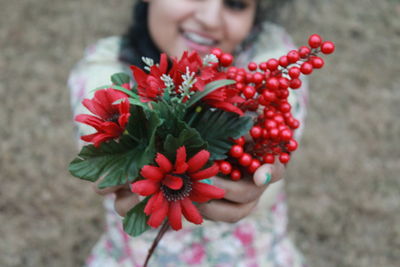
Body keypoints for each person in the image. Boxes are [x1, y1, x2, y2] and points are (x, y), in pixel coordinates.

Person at [69, 0, 309, 266]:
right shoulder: (105, 64)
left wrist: (257, 168)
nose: (210, 18)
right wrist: (115, 160)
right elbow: (96, 115)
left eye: (236, 4)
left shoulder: (271, 59)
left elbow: (284, 104)